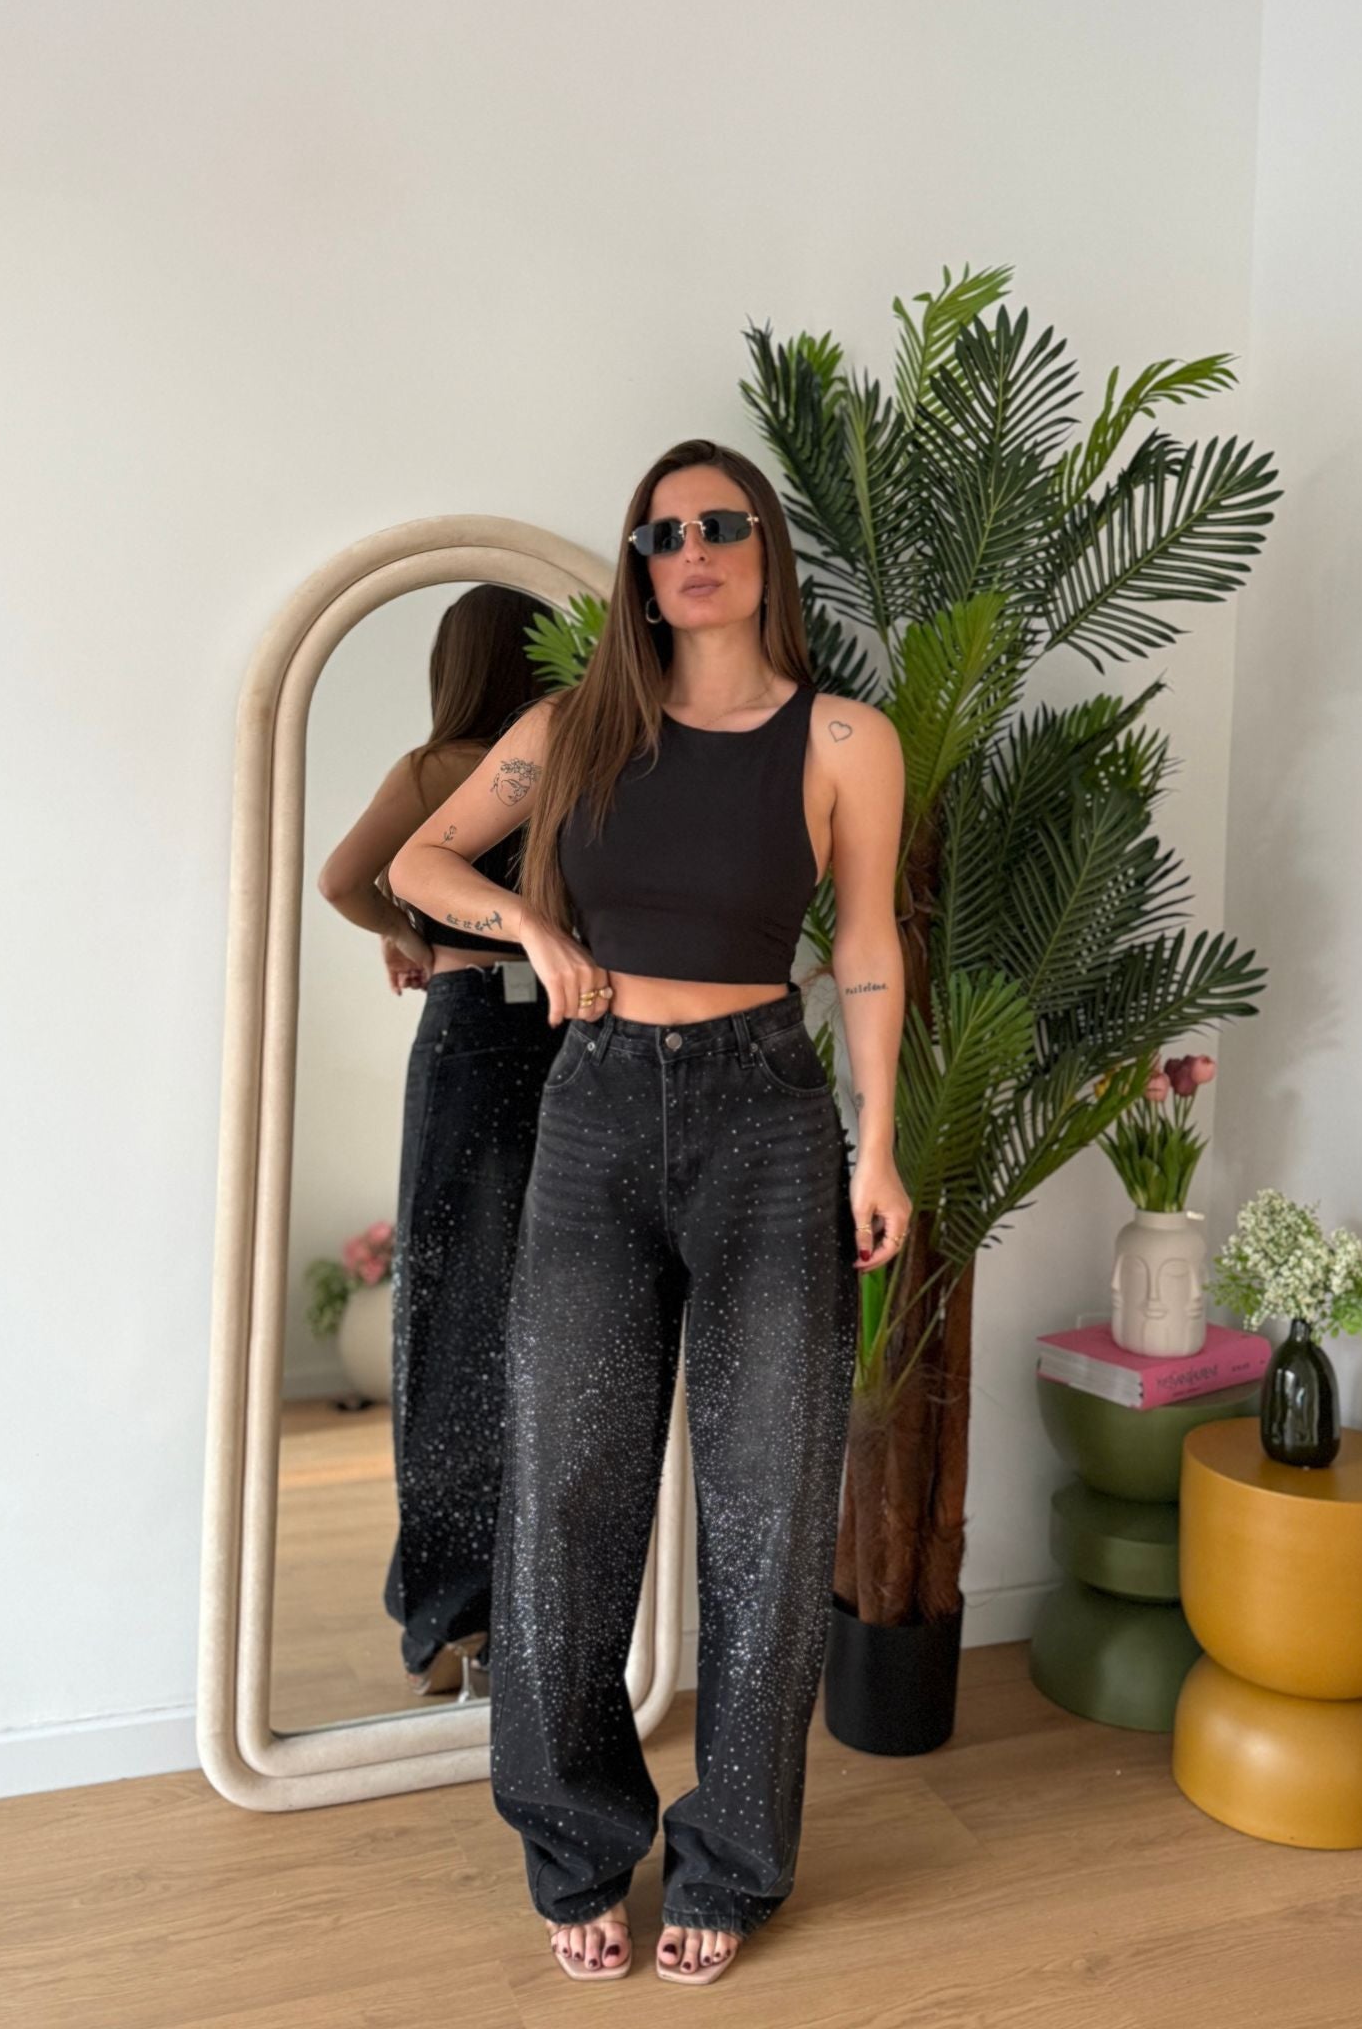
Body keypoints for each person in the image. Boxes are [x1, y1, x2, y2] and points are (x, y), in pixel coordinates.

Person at [388, 438, 911, 1986]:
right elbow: (420, 856)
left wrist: (878, 1149)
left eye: (719, 524)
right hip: (598, 1117)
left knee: (767, 1506)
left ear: (763, 550)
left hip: (769, 1119)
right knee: (565, 1492)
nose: (692, 550)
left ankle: (731, 1862)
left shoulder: (844, 740)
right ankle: (575, 1843)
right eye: (662, 533)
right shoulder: (573, 729)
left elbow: (867, 948)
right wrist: (529, 926)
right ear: (639, 566)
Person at [317, 584, 563, 1698]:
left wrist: (408, 930)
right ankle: (512, 1614)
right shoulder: (572, 765)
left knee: (452, 1323)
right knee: (551, 1331)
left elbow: (342, 880)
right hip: (570, 1032)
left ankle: (451, 1617)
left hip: (471, 1032)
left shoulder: (434, 773)